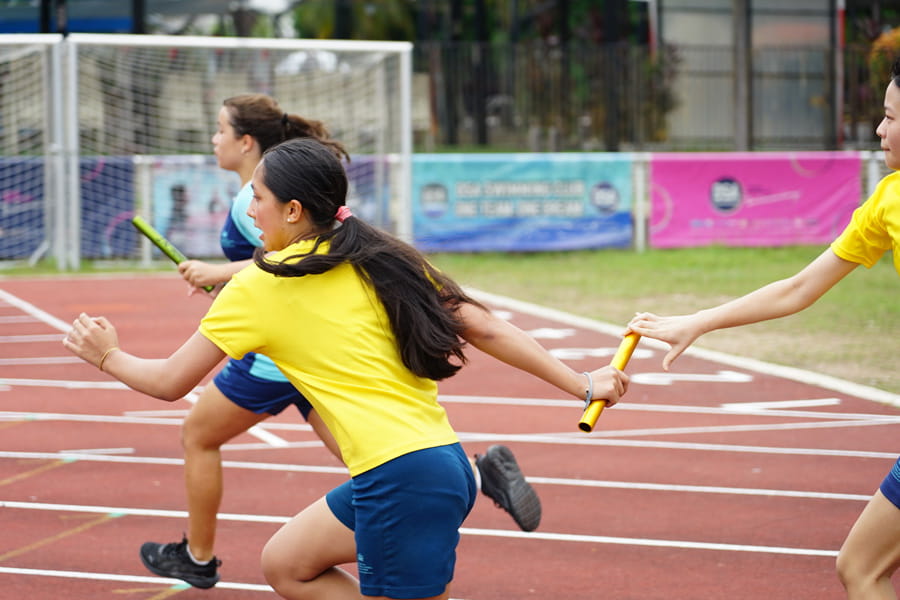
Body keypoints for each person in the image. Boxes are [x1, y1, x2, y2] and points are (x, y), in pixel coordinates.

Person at [64, 137, 630, 600]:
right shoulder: (380, 256)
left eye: (255, 197)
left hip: (400, 477)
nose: (248, 208)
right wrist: (581, 383)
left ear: (292, 209)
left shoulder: (260, 285)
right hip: (439, 464)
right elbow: (482, 325)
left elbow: (168, 383)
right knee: (284, 563)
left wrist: (107, 355)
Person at [143, 94, 543, 589]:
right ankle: (476, 476)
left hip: (281, 359)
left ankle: (199, 558)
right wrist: (584, 384)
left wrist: (217, 276)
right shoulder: (363, 241)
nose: (214, 139)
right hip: (324, 372)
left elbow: (291, 263)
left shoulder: (262, 205)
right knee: (371, 458)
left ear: (247, 142)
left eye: (221, 129)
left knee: (200, 435)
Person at [626, 57, 900, 600]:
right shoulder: (887, 200)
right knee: (861, 568)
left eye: (892, 117)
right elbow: (799, 289)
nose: (879, 129)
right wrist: (698, 323)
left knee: (861, 568)